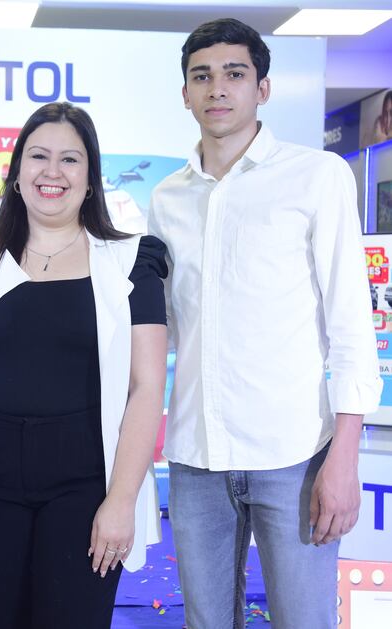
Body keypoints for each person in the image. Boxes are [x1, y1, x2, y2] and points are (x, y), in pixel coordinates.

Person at [148, 18, 382, 629]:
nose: (217, 88)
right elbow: (166, 326)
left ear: (263, 88)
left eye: (234, 74)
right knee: (206, 622)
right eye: (202, 76)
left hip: (296, 455)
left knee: (303, 621)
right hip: (197, 458)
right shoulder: (167, 199)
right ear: (185, 94)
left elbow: (353, 329)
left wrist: (345, 458)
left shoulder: (317, 176)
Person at [0, 102, 167, 628]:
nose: (53, 172)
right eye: (39, 156)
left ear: (91, 179)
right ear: (17, 172)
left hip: (85, 484)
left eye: (70, 160)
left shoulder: (130, 261)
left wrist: (121, 501)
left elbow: (146, 388)